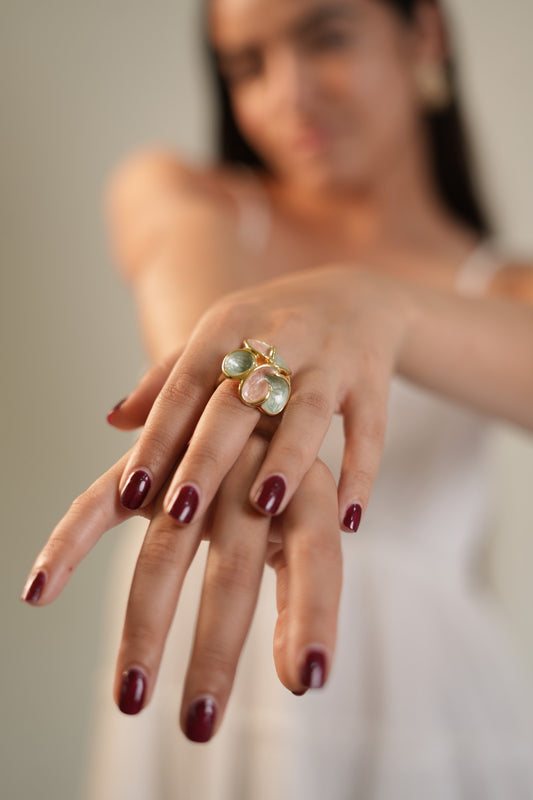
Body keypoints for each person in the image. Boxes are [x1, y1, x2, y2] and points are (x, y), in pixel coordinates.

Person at [20, 0, 533, 796]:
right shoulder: (188, 196)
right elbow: (191, 283)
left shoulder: (505, 289)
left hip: (428, 717)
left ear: (423, 33)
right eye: (245, 68)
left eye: (324, 38)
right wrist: (252, 424)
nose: (285, 94)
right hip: (200, 692)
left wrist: (380, 304)